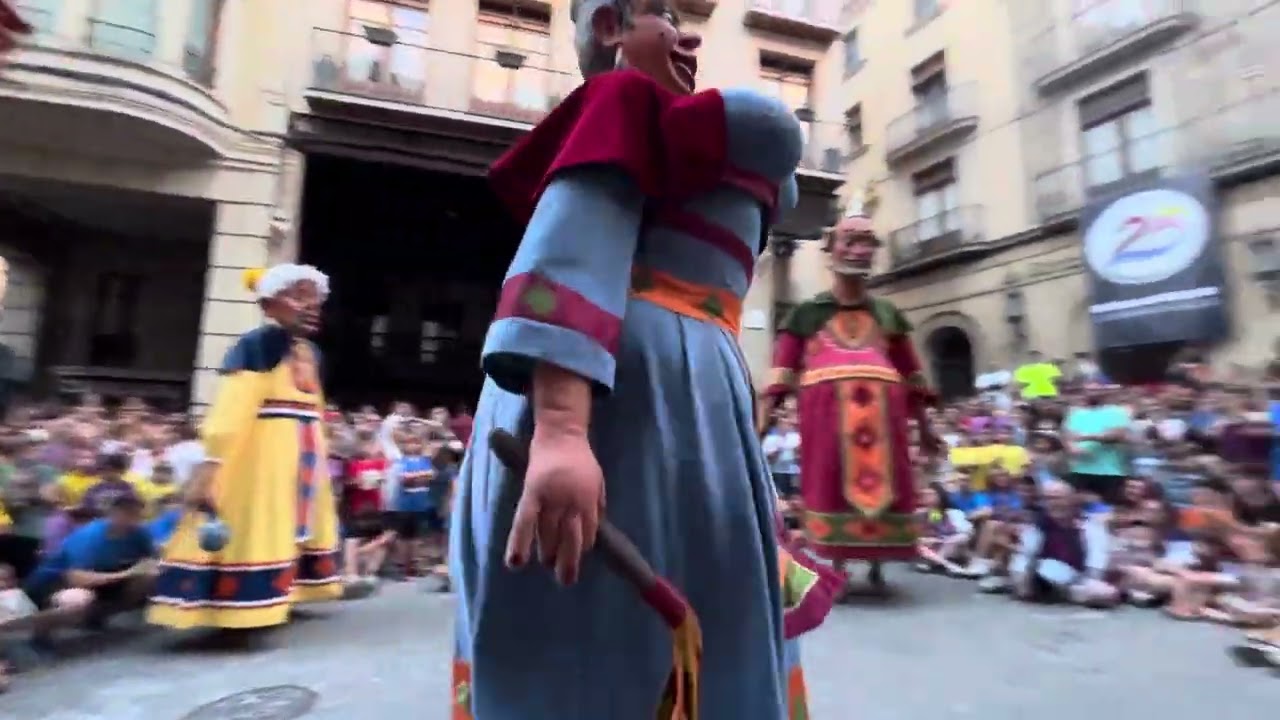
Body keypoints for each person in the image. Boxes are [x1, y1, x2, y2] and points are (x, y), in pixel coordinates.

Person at [450, 2, 820, 717]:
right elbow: (572, 248)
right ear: (611, 28)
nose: (687, 37)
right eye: (661, 15)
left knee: (700, 605)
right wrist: (560, 428)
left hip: (684, 390)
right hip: (621, 396)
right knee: (605, 637)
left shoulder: (680, 133)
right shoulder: (622, 100)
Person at [148, 263, 344, 631]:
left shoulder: (311, 352)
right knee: (257, 518)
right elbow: (232, 406)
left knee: (294, 523)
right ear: (270, 305)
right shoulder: (259, 343)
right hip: (262, 451)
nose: (311, 305)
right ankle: (239, 605)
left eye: (313, 296)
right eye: (298, 295)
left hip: (301, 450)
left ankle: (284, 593)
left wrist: (320, 449)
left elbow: (315, 404)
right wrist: (213, 461)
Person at [765, 208, 939, 594]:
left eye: (867, 242)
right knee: (832, 484)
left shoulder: (889, 313)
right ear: (831, 249)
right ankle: (839, 563)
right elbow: (780, 373)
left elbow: (912, 375)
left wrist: (925, 429)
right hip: (826, 418)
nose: (860, 250)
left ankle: (877, 565)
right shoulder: (807, 313)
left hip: (886, 419)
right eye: (851, 240)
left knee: (886, 484)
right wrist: (759, 425)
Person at [23, 490, 156, 645]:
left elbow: (151, 559)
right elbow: (76, 578)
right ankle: (41, 628)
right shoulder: (90, 536)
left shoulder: (139, 533)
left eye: (136, 514)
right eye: (126, 512)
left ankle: (96, 616)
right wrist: (127, 573)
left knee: (150, 577)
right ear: (113, 513)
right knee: (78, 599)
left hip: (101, 577)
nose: (132, 519)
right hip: (55, 582)